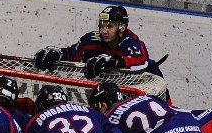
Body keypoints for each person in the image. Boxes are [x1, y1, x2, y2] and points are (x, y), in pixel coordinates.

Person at [33, 5, 163, 81]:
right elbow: (72, 54)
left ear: (122, 28)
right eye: (102, 26)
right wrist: (57, 53)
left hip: (146, 84)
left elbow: (141, 63)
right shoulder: (92, 40)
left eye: (109, 26)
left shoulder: (131, 42)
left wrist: (113, 63)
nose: (104, 31)